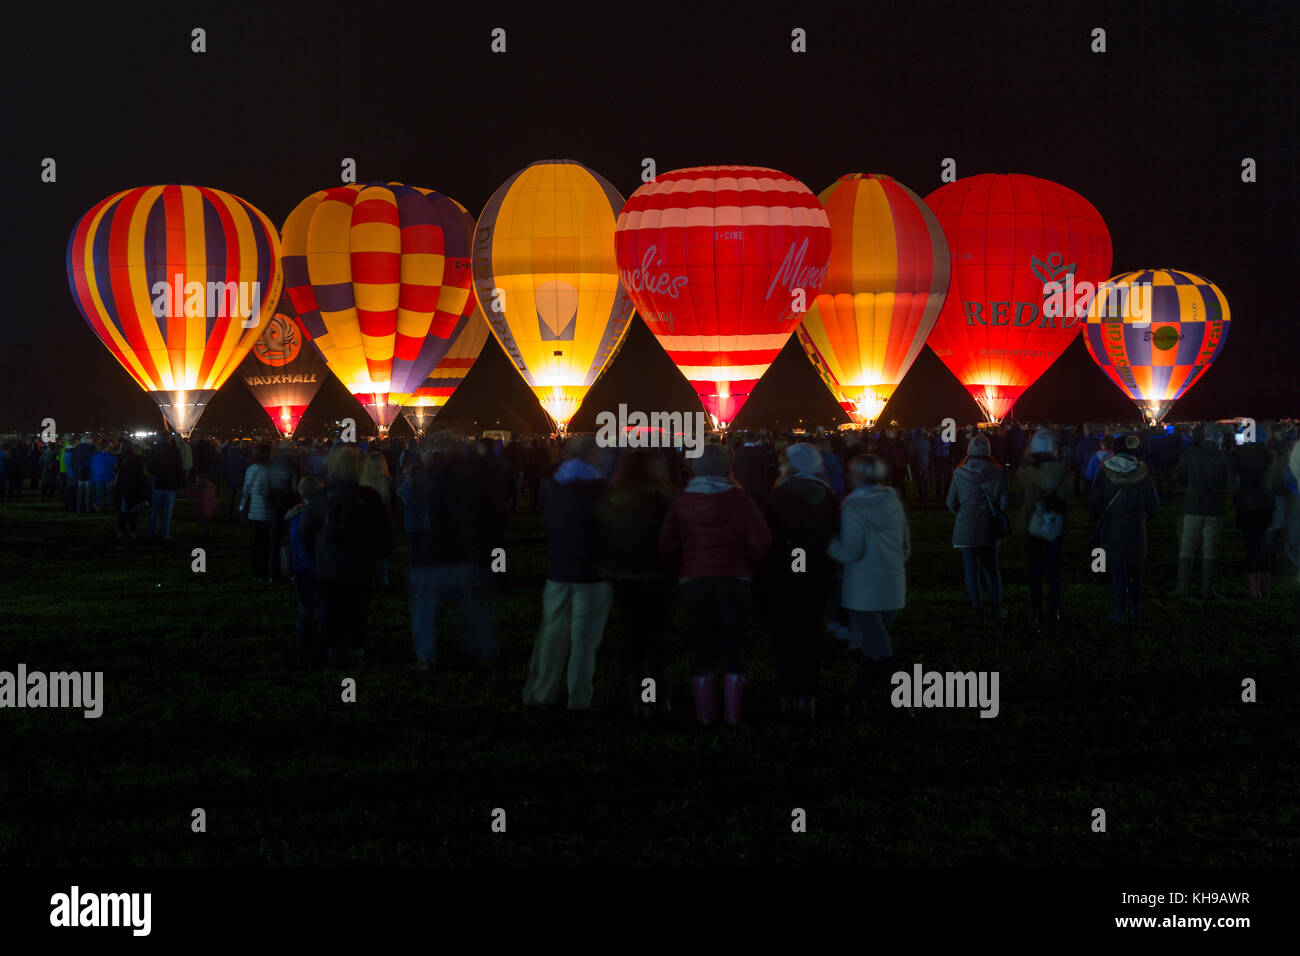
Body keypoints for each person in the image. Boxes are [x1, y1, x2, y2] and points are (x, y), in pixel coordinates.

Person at [659, 443, 772, 726]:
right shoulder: (742, 500)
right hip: (735, 579)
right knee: (734, 644)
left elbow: (666, 543)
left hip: (694, 580)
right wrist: (748, 566)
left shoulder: (682, 501)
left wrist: (681, 567)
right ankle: (733, 711)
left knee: (700, 643)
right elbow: (761, 542)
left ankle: (704, 712)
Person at [522, 436, 612, 712]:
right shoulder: (603, 490)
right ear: (592, 456)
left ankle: (541, 692)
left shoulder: (552, 487)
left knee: (552, 632)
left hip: (558, 571)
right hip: (592, 575)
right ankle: (579, 699)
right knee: (584, 640)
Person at [827, 454, 910, 719]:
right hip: (893, 583)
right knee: (874, 647)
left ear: (857, 477)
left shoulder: (852, 507)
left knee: (881, 650)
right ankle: (858, 699)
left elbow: (851, 552)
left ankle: (901, 704)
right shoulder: (893, 501)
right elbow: (905, 545)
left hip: (864, 589)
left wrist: (828, 545)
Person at [597, 449, 677, 721]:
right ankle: (658, 698)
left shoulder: (610, 498)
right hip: (658, 577)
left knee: (632, 640)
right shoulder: (667, 499)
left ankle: (638, 700)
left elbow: (601, 538)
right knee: (657, 639)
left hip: (624, 577)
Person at [402, 446, 498, 671]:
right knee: (471, 608)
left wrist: (410, 477)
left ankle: (426, 657)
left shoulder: (420, 485)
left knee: (424, 611)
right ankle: (481, 652)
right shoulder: (468, 484)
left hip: (427, 558)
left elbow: (406, 506)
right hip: (462, 555)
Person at [763, 442, 839, 720]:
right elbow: (835, 534)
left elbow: (766, 538)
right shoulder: (826, 495)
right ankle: (807, 698)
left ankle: (786, 697)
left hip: (783, 576)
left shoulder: (778, 496)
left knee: (784, 638)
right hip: (816, 576)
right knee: (810, 637)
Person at [300, 445, 392, 667]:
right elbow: (384, 532)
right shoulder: (370, 497)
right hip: (360, 566)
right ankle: (356, 653)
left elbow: (305, 534)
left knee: (331, 611)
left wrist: (319, 555)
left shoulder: (321, 497)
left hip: (329, 566)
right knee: (358, 611)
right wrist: (376, 556)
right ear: (358, 467)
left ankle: (333, 654)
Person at [1089, 436, 1159, 622]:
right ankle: (1136, 609)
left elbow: (1095, 501)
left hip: (1113, 526)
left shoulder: (1106, 472)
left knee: (1118, 569)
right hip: (1137, 525)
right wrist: (1144, 518)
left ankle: (1120, 610)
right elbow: (1153, 503)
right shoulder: (1142, 473)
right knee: (1135, 569)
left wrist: (1097, 518)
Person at [946, 434, 1010, 620]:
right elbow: (1005, 503)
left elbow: (951, 502)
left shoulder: (959, 473)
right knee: (991, 568)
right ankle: (996, 607)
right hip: (988, 525)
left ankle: (977, 609)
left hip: (964, 526)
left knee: (970, 570)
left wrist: (964, 514)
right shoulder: (997, 473)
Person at [1015, 429, 1069, 624]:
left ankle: (1036, 610)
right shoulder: (1061, 468)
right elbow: (1066, 498)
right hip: (1054, 524)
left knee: (1034, 570)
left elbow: (1019, 496)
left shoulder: (1025, 470)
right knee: (1054, 570)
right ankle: (1055, 610)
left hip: (1032, 524)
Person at [1173, 425, 1231, 598]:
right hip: (1215, 507)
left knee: (1187, 547)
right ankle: (1207, 590)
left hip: (1193, 505)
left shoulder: (1190, 454)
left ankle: (1182, 587)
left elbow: (1179, 476)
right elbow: (1230, 483)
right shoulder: (1223, 457)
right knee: (1210, 549)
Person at [1230, 427, 1280, 597]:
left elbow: (1233, 480)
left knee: (1250, 545)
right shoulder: (1271, 455)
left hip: (1245, 503)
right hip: (1265, 503)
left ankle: (1254, 590)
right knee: (1264, 545)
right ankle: (1265, 588)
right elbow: (1275, 479)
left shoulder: (1238, 455)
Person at [286, 476, 326, 667]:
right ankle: (319, 653)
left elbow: (292, 546)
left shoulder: (294, 516)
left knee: (305, 612)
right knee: (322, 612)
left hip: (301, 568)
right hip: (317, 567)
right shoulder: (318, 517)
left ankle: (304, 654)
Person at [239, 444, 277, 579]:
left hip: (255, 512)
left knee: (258, 543)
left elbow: (246, 490)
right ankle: (270, 571)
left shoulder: (250, 469)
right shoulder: (273, 470)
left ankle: (257, 572)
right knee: (271, 544)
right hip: (270, 512)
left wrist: (242, 508)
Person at [360, 452, 395, 586]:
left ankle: (371, 577)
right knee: (383, 549)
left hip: (366, 518)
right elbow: (392, 500)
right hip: (383, 517)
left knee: (368, 549)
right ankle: (383, 577)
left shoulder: (363, 481)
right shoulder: (387, 481)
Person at [146, 437, 185, 539]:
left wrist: (155, 473)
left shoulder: (154, 449)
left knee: (155, 509)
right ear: (169, 439)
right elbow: (180, 468)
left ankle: (151, 531)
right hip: (171, 485)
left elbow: (149, 466)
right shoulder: (175, 450)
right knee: (168, 511)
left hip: (158, 483)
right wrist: (181, 484)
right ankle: (165, 534)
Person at [111, 443, 150, 539]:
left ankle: (120, 531)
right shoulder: (137, 459)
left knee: (122, 512)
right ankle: (133, 532)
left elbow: (114, 471)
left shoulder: (117, 458)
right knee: (133, 512)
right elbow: (141, 474)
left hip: (121, 488)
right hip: (133, 488)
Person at [90, 442, 116, 510]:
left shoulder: (96, 455)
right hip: (108, 476)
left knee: (99, 492)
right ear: (106, 447)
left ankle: (98, 505)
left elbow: (93, 467)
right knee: (109, 492)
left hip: (98, 476)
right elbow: (114, 464)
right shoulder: (110, 455)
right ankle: (110, 504)